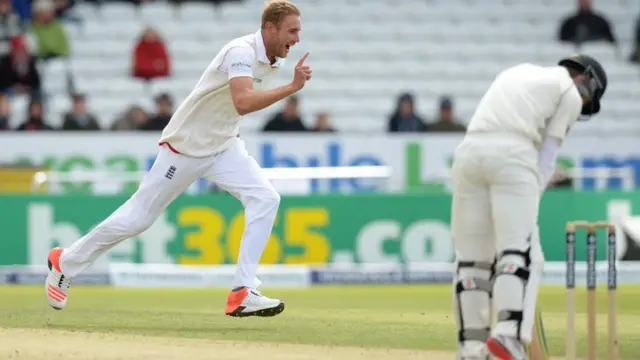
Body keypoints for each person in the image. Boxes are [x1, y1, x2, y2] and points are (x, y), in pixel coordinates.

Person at [44, 0, 312, 318]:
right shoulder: (240, 52)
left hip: (224, 147)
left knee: (266, 198)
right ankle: (66, 262)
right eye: (292, 31)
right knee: (137, 219)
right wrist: (291, 88)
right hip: (184, 148)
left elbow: (230, 108)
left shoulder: (273, 60)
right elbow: (241, 101)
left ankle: (242, 291)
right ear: (270, 28)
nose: (297, 38)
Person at [450, 54, 607, 360]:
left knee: (472, 261)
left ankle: (470, 348)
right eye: (588, 98)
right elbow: (546, 158)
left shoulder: (518, 72)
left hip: (467, 155)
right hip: (513, 153)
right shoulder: (570, 92)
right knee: (521, 251)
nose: (582, 105)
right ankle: (509, 336)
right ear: (585, 79)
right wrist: (528, 202)